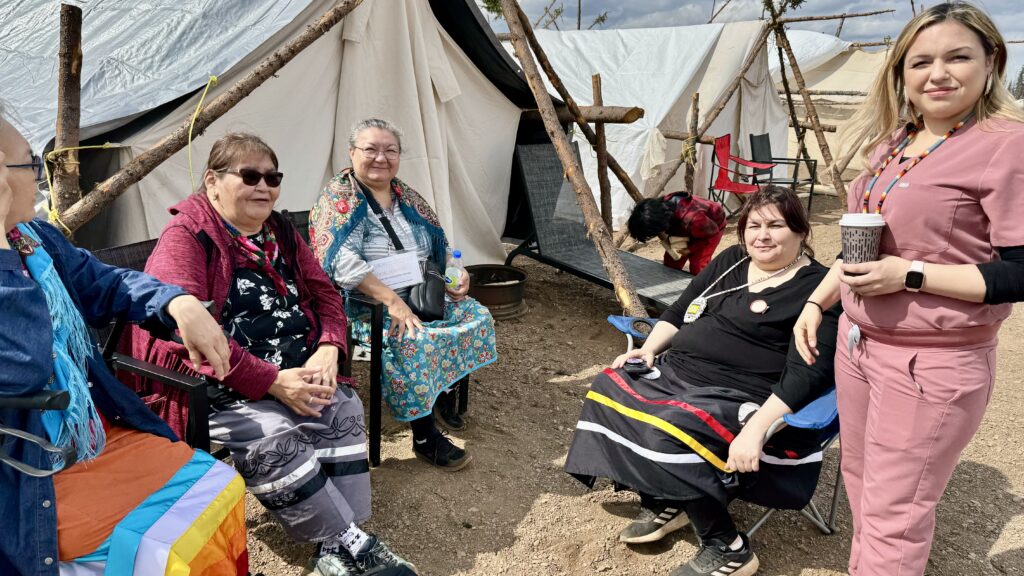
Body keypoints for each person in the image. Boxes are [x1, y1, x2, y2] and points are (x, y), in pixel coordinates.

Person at [793, 4, 1024, 575]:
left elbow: (1020, 272)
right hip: (858, 346)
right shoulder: (895, 143)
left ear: (991, 61)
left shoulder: (1007, 144)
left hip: (932, 363)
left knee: (895, 515)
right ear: (901, 73)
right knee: (862, 487)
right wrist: (817, 301)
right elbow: (860, 244)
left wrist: (910, 274)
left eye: (957, 57)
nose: (937, 73)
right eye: (921, 61)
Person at [132, 133, 414, 576]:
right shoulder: (187, 239)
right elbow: (185, 344)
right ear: (212, 181)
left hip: (294, 364)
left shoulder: (279, 230)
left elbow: (324, 292)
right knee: (274, 433)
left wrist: (328, 348)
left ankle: (334, 545)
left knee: (340, 404)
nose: (264, 186)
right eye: (250, 176)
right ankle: (352, 541)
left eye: (272, 176)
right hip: (219, 384)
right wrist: (271, 383)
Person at [0, 111, 249, 574]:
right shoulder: (10, 246)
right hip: (26, 472)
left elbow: (105, 283)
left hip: (86, 433)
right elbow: (23, 364)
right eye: (29, 166)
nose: (41, 179)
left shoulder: (34, 239)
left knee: (216, 486)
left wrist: (176, 303)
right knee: (161, 547)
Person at [565, 185, 840, 576]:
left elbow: (807, 374)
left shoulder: (820, 289)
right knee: (609, 386)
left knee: (670, 424)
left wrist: (758, 428)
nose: (761, 235)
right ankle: (667, 495)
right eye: (754, 225)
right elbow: (680, 310)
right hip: (680, 370)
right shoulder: (731, 260)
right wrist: (648, 349)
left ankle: (728, 546)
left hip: (742, 392)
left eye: (775, 225)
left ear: (801, 231)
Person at [309, 118, 497, 471]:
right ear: (351, 153)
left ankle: (439, 389)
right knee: (413, 339)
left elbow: (434, 247)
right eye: (370, 149)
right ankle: (424, 437)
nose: (381, 158)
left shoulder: (405, 195)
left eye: (390, 150)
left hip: (420, 292)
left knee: (475, 315)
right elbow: (341, 265)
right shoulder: (339, 199)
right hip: (368, 308)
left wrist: (455, 276)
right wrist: (392, 302)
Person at [626, 191, 726, 275]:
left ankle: (702, 290)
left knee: (698, 265)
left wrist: (689, 249)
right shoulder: (663, 208)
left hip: (711, 229)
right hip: (683, 227)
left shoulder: (694, 219)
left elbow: (709, 235)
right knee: (672, 261)